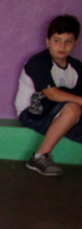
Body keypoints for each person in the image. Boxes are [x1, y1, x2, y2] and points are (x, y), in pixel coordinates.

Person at [14, 14, 81, 176]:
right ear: (48, 41)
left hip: (60, 113)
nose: (62, 46)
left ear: (75, 43)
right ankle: (39, 157)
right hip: (33, 113)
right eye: (57, 40)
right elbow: (52, 94)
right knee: (73, 109)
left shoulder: (77, 67)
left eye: (68, 41)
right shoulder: (38, 62)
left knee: (73, 109)